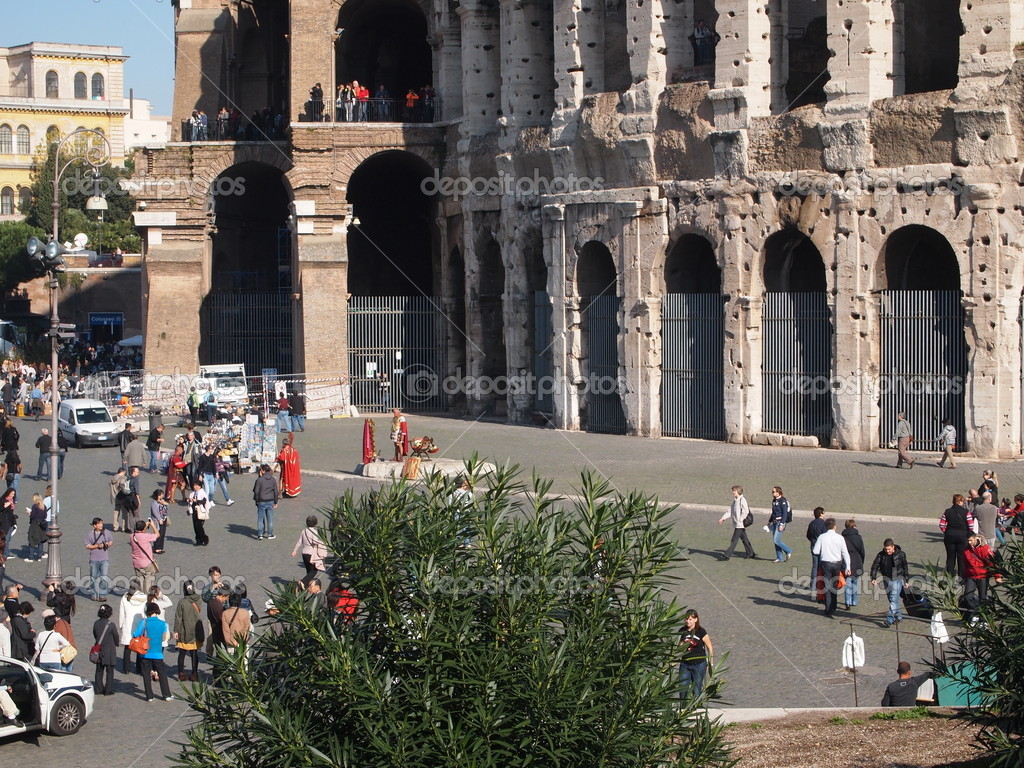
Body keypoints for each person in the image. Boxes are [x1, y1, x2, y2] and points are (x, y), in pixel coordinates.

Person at [133, 602, 172, 701]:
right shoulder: (163, 624)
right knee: (162, 673)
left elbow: (135, 634)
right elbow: (164, 638)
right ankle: (166, 694)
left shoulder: (144, 622)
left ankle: (149, 696)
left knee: (146, 674)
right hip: (157, 653)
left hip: (145, 652)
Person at [811, 518, 850, 618]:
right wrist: (848, 566)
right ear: (835, 527)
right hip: (837, 564)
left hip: (826, 564)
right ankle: (834, 606)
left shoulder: (822, 537)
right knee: (834, 586)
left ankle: (828, 609)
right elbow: (845, 553)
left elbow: (815, 551)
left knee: (827, 587)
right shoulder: (840, 538)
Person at [870, 538, 910, 627]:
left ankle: (889, 620)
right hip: (886, 579)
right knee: (892, 600)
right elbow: (875, 566)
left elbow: (905, 567)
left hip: (897, 579)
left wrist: (906, 580)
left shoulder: (900, 554)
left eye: (889, 549)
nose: (887, 551)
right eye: (886, 549)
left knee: (893, 599)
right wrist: (873, 577)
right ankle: (899, 616)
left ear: (893, 547)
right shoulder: (881, 555)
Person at [172, 580, 205, 682]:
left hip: (184, 630)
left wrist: (176, 630)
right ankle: (194, 673)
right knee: (194, 654)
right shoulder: (198, 599)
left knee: (182, 653)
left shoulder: (182, 602)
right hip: (195, 630)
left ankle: (181, 673)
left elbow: (178, 617)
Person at [678, 610, 713, 701]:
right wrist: (683, 643)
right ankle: (683, 711)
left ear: (695, 619)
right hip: (685, 664)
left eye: (690, 619)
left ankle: (697, 711)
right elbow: (679, 647)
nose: (688, 621)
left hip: (699, 664)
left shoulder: (701, 631)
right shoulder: (682, 631)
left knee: (696, 690)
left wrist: (710, 663)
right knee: (683, 689)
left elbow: (709, 647)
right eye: (686, 619)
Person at [939, 493, 974, 578]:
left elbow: (942, 524)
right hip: (962, 537)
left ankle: (949, 577)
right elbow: (971, 525)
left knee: (950, 558)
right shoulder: (966, 512)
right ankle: (962, 577)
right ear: (961, 501)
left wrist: (946, 532)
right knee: (961, 558)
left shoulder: (947, 511)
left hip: (950, 536)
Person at [963, 534, 996, 624]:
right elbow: (965, 565)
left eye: (971, 540)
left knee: (982, 597)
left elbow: (992, 563)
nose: (969, 543)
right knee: (967, 596)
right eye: (968, 541)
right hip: (971, 576)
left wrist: (997, 576)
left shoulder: (984, 548)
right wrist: (965, 577)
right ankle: (976, 612)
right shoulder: (966, 550)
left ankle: (983, 619)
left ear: (975, 538)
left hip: (983, 576)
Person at [717, 485, 755, 560]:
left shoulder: (742, 500)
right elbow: (730, 511)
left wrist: (740, 520)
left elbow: (746, 511)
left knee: (734, 540)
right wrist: (723, 518)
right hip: (737, 523)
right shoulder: (735, 501)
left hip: (740, 524)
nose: (732, 492)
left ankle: (727, 555)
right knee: (744, 539)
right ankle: (751, 553)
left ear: (737, 491)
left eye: (734, 491)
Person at [291, 514, 327, 587]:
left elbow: (299, 542)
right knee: (314, 570)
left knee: (308, 570)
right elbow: (315, 542)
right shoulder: (314, 532)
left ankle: (307, 585)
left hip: (304, 552)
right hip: (311, 553)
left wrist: (295, 550)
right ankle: (303, 582)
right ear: (315, 523)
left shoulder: (304, 531)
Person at [92, 603, 119, 696]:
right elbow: (116, 637)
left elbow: (95, 634)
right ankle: (108, 690)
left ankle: (98, 689)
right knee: (109, 672)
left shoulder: (96, 623)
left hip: (99, 650)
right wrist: (117, 643)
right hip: (109, 651)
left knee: (99, 670)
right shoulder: (111, 625)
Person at [85, 516, 114, 602]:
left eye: (101, 523)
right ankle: (93, 593)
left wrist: (108, 544)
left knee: (104, 577)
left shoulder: (107, 532)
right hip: (94, 559)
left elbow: (111, 540)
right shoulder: (90, 535)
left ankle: (102, 595)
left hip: (104, 558)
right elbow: (87, 546)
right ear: (94, 525)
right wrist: (97, 546)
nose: (101, 525)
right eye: (99, 524)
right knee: (93, 577)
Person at [130, 519, 160, 594]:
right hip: (147, 563)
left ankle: (140, 594)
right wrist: (152, 525)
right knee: (148, 581)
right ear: (143, 529)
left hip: (137, 563)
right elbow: (157, 534)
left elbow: (139, 532)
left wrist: (145, 526)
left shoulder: (132, 536)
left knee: (140, 581)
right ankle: (147, 597)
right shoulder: (146, 536)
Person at [841, 519, 865, 609]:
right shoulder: (858, 537)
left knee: (848, 583)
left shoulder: (842, 538)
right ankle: (854, 601)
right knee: (855, 582)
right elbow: (862, 551)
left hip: (846, 562)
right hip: (857, 561)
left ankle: (847, 601)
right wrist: (861, 561)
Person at [806, 506, 828, 599]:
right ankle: (821, 584)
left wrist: (812, 541)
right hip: (822, 547)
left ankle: (813, 585)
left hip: (813, 545)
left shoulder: (812, 523)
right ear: (821, 514)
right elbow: (825, 536)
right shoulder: (823, 523)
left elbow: (808, 535)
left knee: (815, 566)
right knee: (822, 566)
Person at [253, 463, 278, 539]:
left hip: (261, 500)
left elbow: (256, 491)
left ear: (263, 471)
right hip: (270, 500)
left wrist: (257, 500)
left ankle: (260, 534)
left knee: (260, 518)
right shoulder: (273, 479)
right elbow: (276, 492)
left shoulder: (259, 480)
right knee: (270, 518)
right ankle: (270, 534)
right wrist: (275, 502)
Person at [768, 486, 792, 563]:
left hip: (780, 522)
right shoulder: (774, 501)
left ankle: (788, 550)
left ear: (778, 492)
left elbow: (785, 513)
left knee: (776, 540)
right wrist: (769, 521)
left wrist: (782, 524)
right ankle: (779, 557)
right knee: (775, 540)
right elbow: (773, 512)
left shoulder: (783, 501)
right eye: (772, 492)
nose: (773, 493)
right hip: (775, 522)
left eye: (774, 491)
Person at [275, 433, 301, 498]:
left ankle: (280, 493)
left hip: (285, 468)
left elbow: (282, 458)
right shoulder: (293, 450)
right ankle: (287, 491)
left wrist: (277, 459)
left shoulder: (284, 450)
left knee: (281, 479)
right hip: (292, 467)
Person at [187, 479, 212, 546]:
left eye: (196, 485)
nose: (195, 486)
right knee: (195, 526)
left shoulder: (202, 493)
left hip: (200, 511)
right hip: (194, 511)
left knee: (199, 526)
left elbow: (204, 501)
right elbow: (190, 503)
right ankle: (198, 540)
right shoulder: (192, 493)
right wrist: (189, 501)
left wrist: (197, 501)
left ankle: (204, 538)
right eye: (194, 485)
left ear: (200, 486)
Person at [26, 492, 47, 561]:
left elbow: (32, 516)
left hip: (34, 525)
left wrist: (29, 513)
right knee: (40, 541)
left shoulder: (35, 506)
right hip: (41, 525)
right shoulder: (43, 506)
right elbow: (45, 516)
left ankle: (31, 557)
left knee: (31, 540)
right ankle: (39, 556)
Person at [150, 489, 169, 554]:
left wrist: (166, 504)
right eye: (161, 494)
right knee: (157, 533)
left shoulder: (162, 501)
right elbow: (155, 512)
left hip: (164, 519)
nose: (162, 496)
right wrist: (159, 519)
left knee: (162, 534)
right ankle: (156, 548)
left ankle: (160, 547)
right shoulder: (154, 503)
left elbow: (165, 510)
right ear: (158, 495)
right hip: (157, 520)